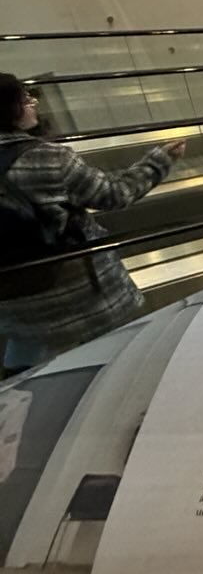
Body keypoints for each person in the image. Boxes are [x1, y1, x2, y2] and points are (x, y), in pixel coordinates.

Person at [0, 76, 183, 370]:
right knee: (127, 366)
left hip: (16, 308)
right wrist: (159, 160)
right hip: (84, 303)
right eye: (25, 99)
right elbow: (114, 194)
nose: (33, 103)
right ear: (9, 110)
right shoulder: (47, 158)